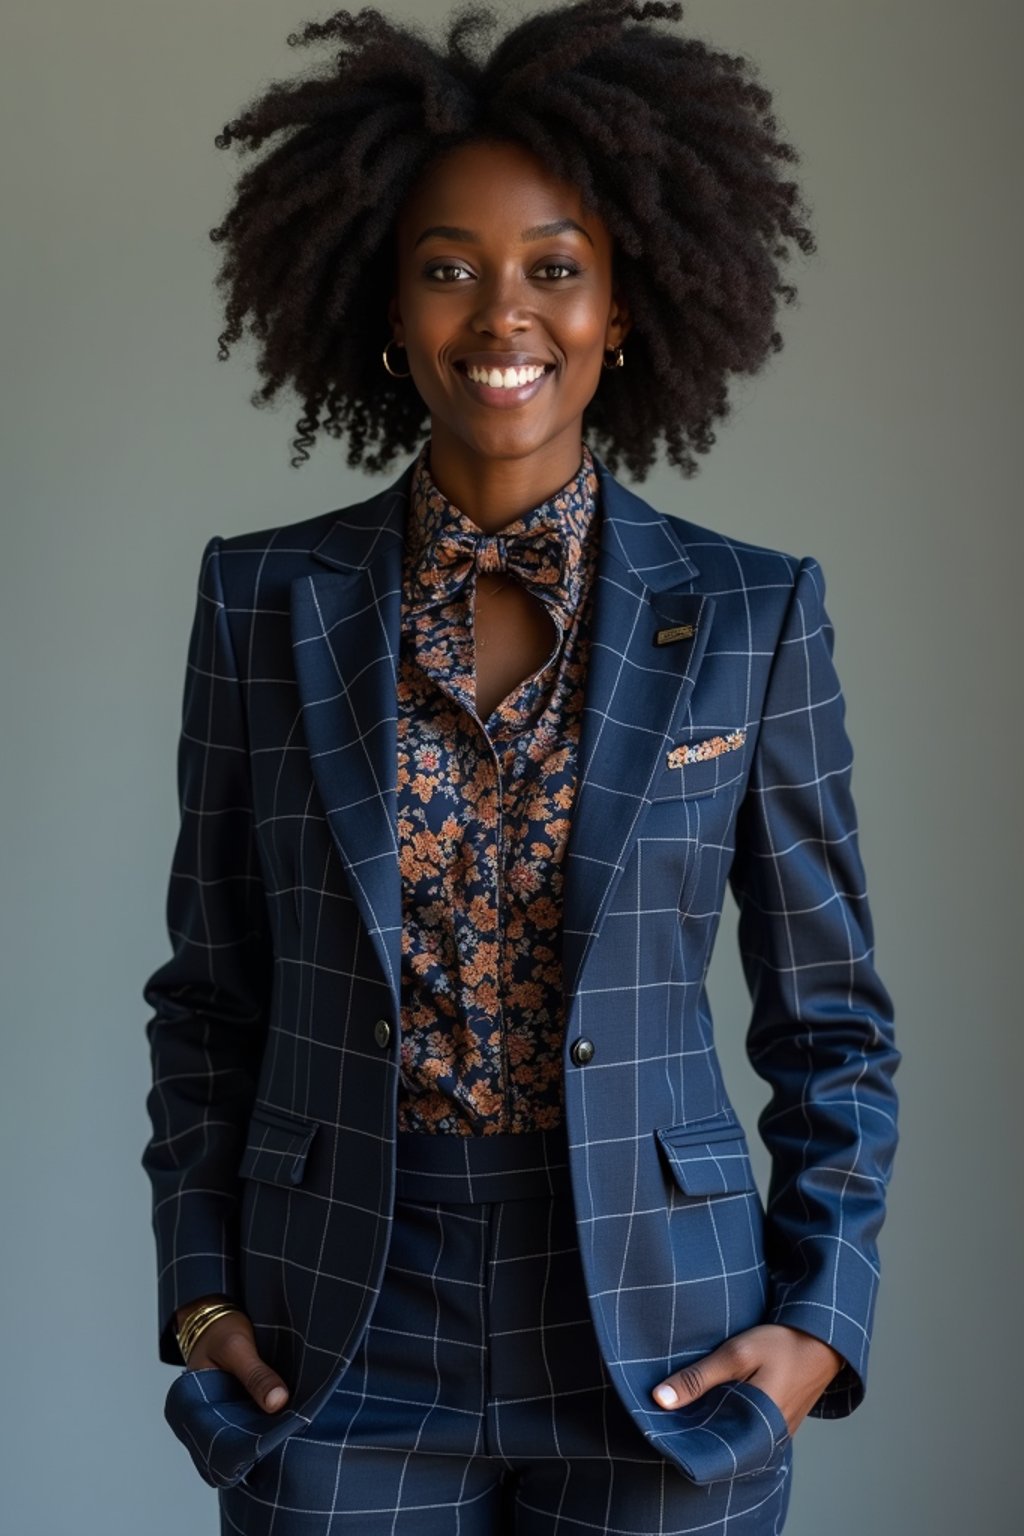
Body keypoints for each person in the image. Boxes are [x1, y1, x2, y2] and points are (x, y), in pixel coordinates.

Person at [140, 2, 900, 1531]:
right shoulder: (261, 602)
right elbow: (210, 998)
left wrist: (824, 1322)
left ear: (622, 308)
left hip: (661, 1326)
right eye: (449, 269)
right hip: (340, 1322)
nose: (504, 316)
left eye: (554, 268)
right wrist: (199, 1299)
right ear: (386, 308)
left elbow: (832, 1020)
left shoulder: (750, 614)